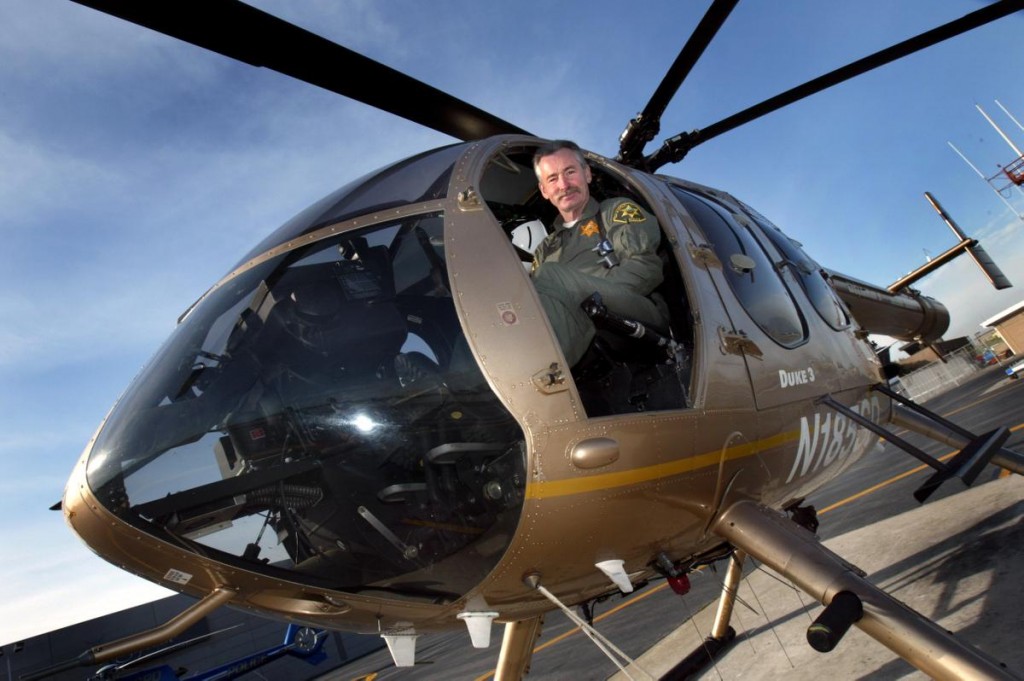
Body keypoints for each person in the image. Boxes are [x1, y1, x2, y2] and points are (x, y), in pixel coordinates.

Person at [530, 140, 667, 366]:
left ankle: (542, 370)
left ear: (587, 174)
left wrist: (582, 300)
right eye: (552, 179)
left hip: (630, 313)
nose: (563, 185)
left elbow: (646, 269)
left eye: (570, 172)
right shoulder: (545, 248)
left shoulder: (615, 211)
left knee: (550, 275)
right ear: (544, 191)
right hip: (573, 321)